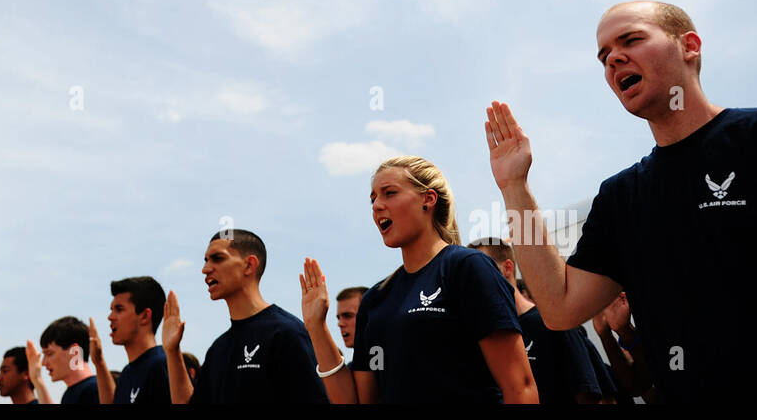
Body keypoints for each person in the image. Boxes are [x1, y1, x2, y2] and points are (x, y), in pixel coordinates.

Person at [486, 0, 757, 403]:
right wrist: (515, 187)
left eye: (631, 39)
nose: (613, 59)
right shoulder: (621, 197)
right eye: (604, 57)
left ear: (689, 46)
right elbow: (560, 308)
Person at [301, 157, 538, 404]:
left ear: (428, 199)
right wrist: (317, 327)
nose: (377, 206)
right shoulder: (375, 299)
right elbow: (357, 402)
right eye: (373, 199)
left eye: (389, 193)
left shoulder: (467, 268)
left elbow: (520, 388)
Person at [163, 230, 327, 404]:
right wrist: (172, 352)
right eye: (206, 261)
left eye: (218, 258)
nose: (205, 269)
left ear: (249, 265)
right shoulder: (218, 349)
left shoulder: (287, 333)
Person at [469, 238, 601, 404]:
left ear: (507, 268)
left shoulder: (551, 322)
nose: (474, 280)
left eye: (480, 270)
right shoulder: (490, 333)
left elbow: (587, 392)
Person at [93, 276, 169, 405]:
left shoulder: (162, 365)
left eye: (119, 309)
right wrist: (98, 361)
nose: (110, 317)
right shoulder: (126, 373)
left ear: (145, 316)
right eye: (111, 310)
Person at [40, 317, 98, 404]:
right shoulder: (69, 395)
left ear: (74, 352)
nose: (43, 363)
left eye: (49, 354)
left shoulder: (94, 390)